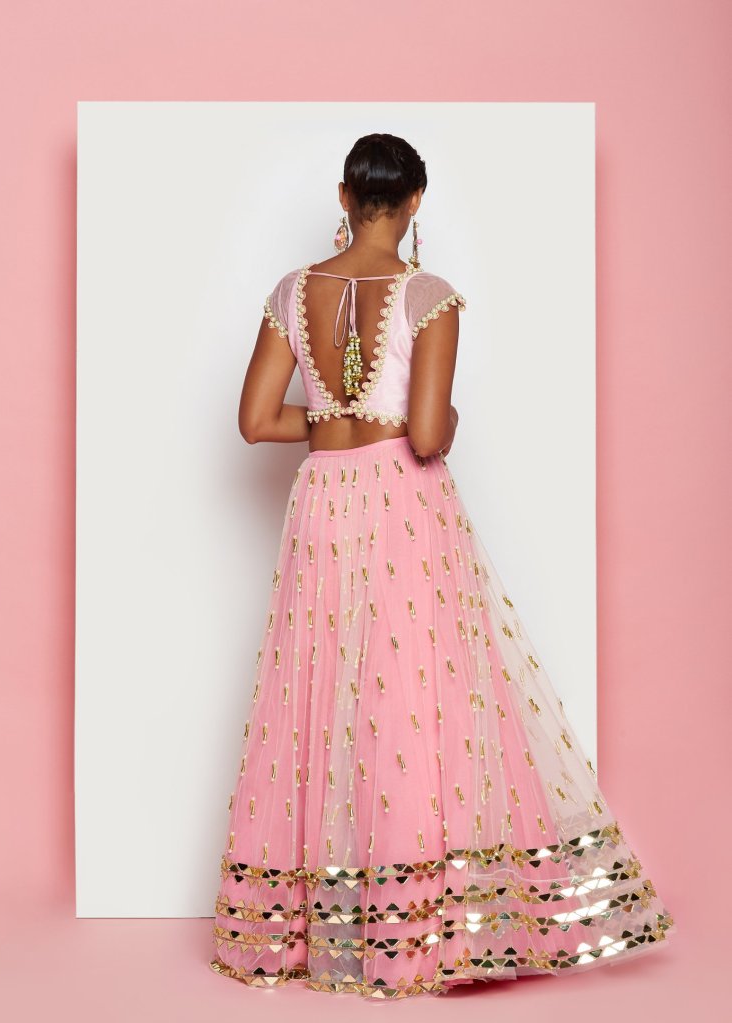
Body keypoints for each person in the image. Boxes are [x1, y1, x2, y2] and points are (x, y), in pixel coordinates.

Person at [208, 133, 676, 999]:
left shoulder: (290, 291)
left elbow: (256, 420)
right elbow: (426, 434)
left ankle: (311, 931)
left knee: (322, 694)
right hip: (400, 501)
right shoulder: (428, 295)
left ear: (344, 197)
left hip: (322, 502)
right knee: (409, 699)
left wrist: (331, 419)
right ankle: (414, 933)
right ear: (415, 200)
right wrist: (443, 419)